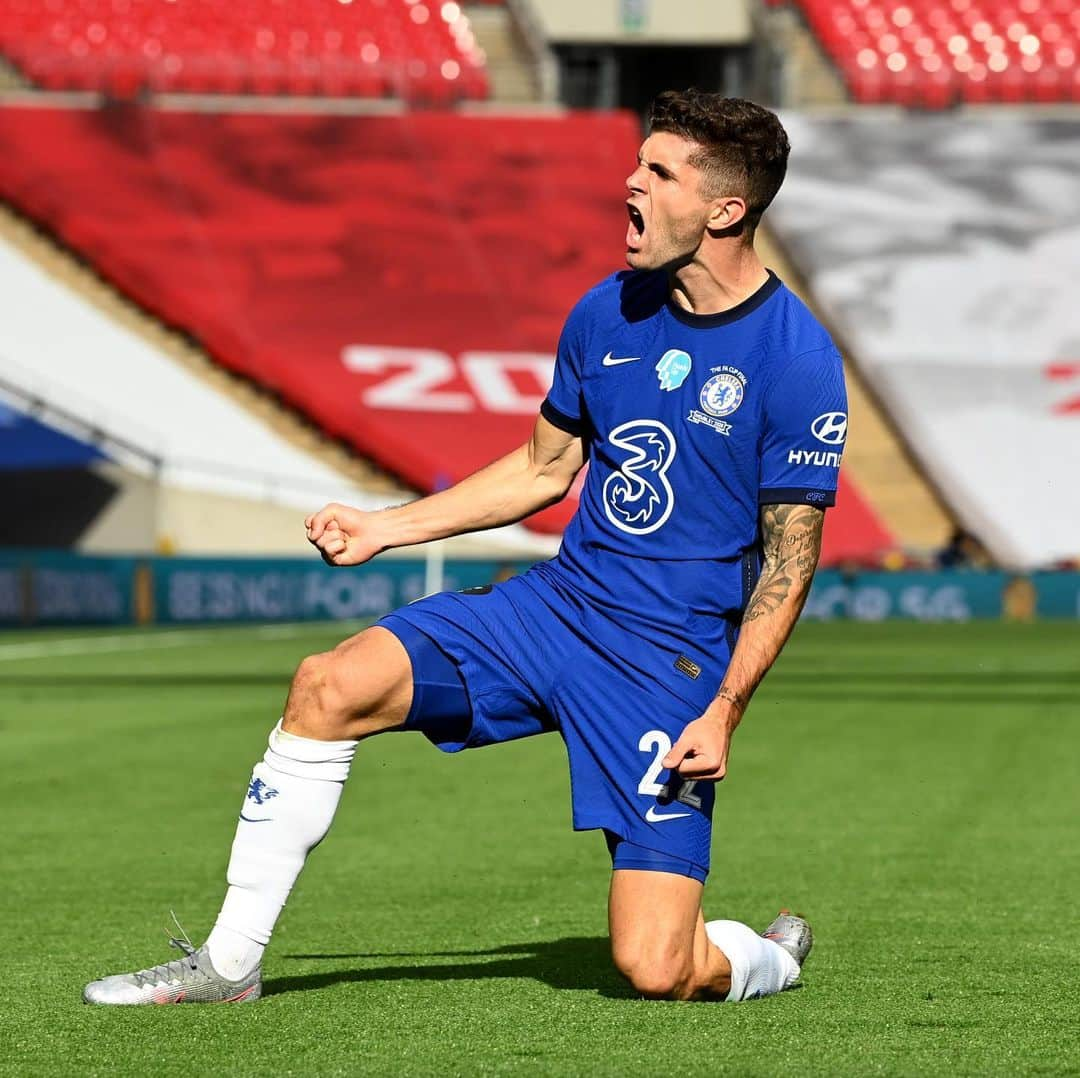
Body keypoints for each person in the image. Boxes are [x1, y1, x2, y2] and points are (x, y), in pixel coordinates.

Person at [84, 89, 845, 1006]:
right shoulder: (607, 311)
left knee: (658, 968)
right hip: (557, 611)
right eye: (636, 162)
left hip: (667, 661)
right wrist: (382, 528)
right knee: (329, 685)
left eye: (658, 172)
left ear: (725, 209)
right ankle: (228, 964)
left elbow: (789, 562)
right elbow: (541, 468)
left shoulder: (796, 357)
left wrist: (723, 708)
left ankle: (772, 958)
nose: (628, 182)